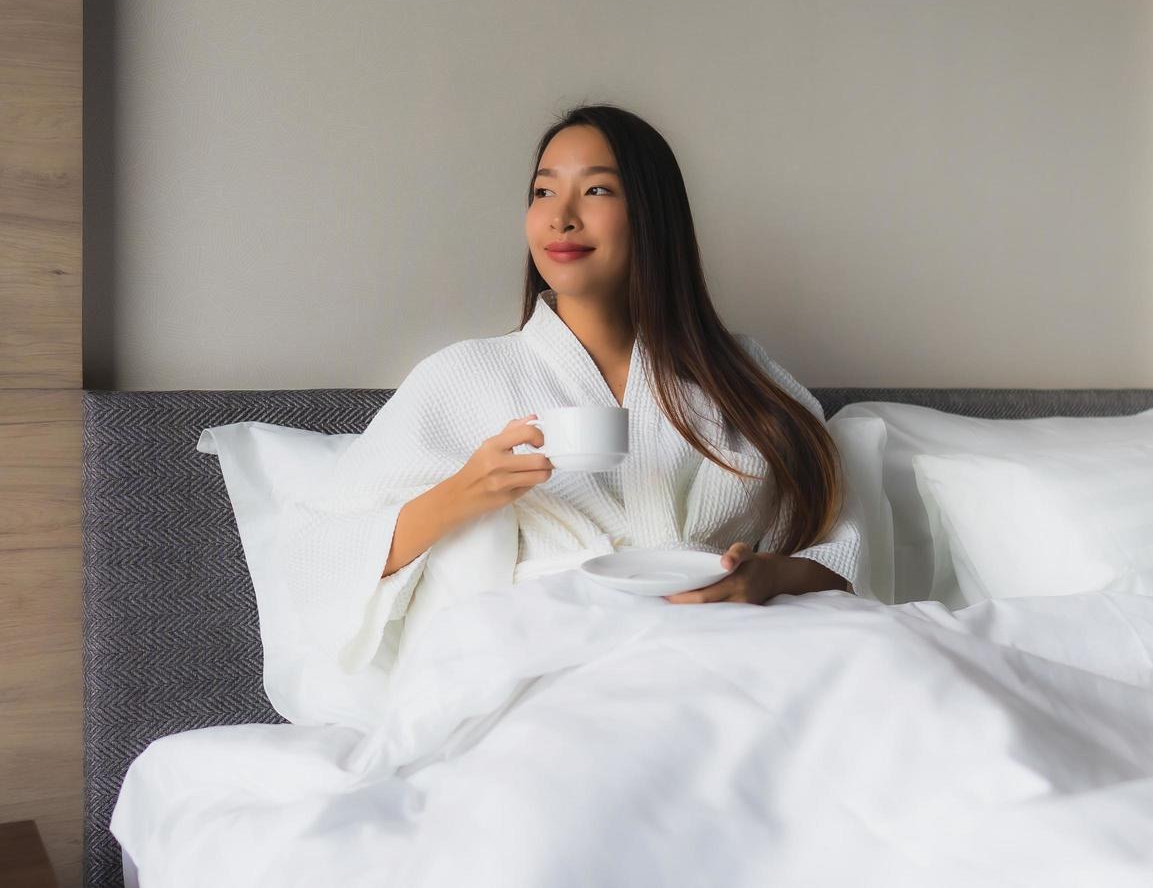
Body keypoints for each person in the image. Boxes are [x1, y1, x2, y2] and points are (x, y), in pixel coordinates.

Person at [279, 104, 862, 675]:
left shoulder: (740, 373)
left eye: (598, 191)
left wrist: (768, 576)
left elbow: (844, 545)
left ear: (652, 214)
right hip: (550, 655)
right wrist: (461, 493)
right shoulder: (462, 377)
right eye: (543, 192)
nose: (561, 217)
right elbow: (318, 556)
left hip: (731, 645)